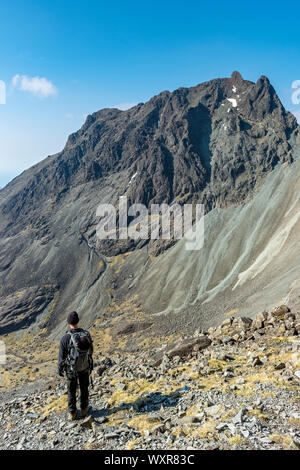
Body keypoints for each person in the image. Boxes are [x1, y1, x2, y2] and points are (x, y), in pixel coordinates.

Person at [58, 311, 93, 421]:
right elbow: (91, 351)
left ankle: (72, 413)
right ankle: (84, 409)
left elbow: (61, 358)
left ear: (68, 322)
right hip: (85, 366)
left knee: (71, 390)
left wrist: (60, 369)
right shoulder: (86, 334)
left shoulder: (65, 339)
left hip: (71, 369)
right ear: (78, 321)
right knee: (84, 388)